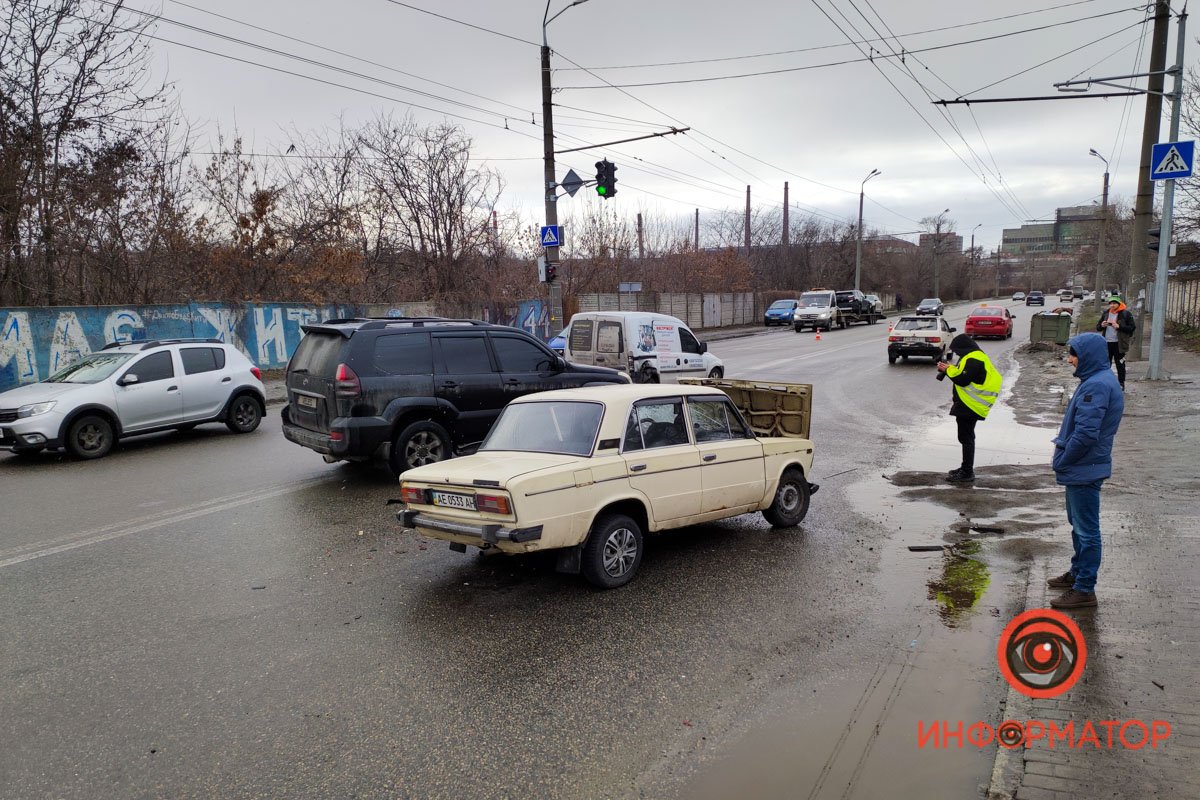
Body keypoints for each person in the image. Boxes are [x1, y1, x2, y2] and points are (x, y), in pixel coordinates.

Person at [1047, 333, 1125, 609]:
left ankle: (1084, 589)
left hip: (1085, 468)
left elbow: (1086, 434)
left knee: (1087, 530)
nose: (1070, 360)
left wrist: (1063, 460)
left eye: (1074, 355)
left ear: (1088, 356)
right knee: (1078, 526)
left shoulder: (1097, 387)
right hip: (1084, 467)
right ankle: (1077, 573)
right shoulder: (1095, 381)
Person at [937, 334, 1003, 484]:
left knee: (966, 438)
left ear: (963, 347)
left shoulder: (974, 358)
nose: (957, 353)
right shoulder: (973, 356)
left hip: (970, 405)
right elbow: (963, 374)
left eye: (957, 350)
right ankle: (965, 468)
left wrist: (948, 371)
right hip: (968, 404)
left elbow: (963, 379)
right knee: (966, 437)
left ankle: (967, 472)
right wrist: (950, 369)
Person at [1095, 294, 1136, 390]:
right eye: (1110, 303)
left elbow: (1132, 328)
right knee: (1105, 364)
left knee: (1120, 364)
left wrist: (1119, 326)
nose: (1112, 305)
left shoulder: (1126, 314)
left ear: (1119, 304)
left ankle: (1121, 383)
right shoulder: (1106, 313)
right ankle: (1106, 382)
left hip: (1119, 344)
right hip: (1106, 343)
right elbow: (1098, 327)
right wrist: (1102, 325)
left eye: (1114, 303)